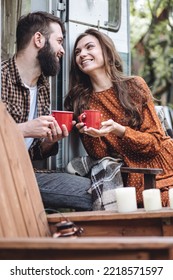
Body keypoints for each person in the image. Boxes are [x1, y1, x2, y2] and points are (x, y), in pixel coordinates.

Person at [64, 28, 173, 207]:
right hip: (133, 176)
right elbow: (101, 156)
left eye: (89, 47)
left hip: (164, 165)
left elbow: (154, 143)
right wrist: (93, 136)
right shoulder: (81, 101)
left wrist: (119, 130)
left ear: (106, 53)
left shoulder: (134, 85)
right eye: (77, 52)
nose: (82, 54)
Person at [1, 12, 92, 211]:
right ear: (39, 39)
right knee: (91, 194)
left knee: (95, 190)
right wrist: (23, 129)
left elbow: (33, 151)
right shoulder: (2, 78)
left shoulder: (42, 87)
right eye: (59, 41)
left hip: (24, 173)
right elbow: (21, 133)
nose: (62, 50)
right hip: (3, 176)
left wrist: (50, 140)